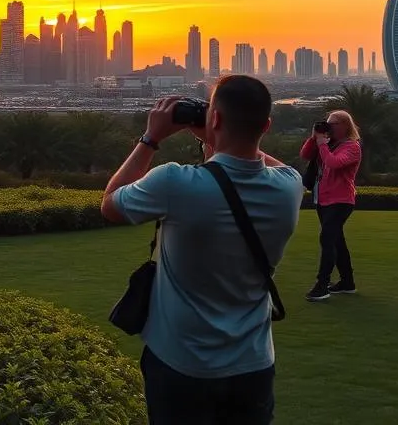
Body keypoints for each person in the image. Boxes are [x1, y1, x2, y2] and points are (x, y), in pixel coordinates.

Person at [100, 75, 302, 425]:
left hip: (180, 363)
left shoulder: (175, 183)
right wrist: (220, 134)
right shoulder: (289, 188)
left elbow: (110, 204)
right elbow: (265, 162)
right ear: (267, 125)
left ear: (216, 118)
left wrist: (151, 138)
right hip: (252, 365)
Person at [300, 110, 363, 301]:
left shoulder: (352, 147)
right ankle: (347, 282)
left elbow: (334, 163)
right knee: (337, 241)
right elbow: (305, 155)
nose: (330, 126)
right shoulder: (328, 145)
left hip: (341, 200)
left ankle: (322, 285)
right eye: (328, 123)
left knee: (327, 239)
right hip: (323, 199)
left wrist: (322, 146)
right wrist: (314, 138)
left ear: (345, 126)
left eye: (334, 124)